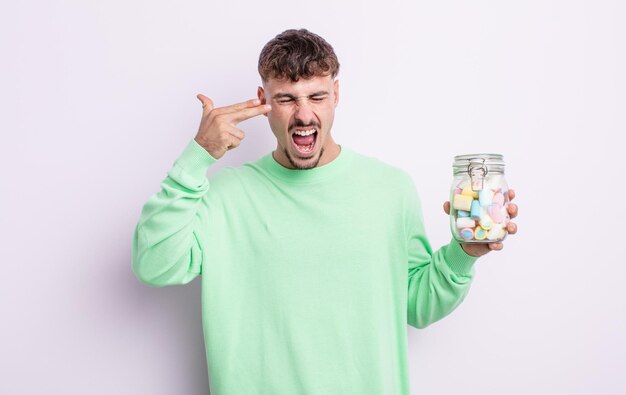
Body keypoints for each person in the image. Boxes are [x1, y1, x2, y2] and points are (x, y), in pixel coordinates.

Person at [132, 28, 519, 395]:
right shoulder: (226, 195)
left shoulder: (390, 189)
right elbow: (154, 264)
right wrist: (196, 157)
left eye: (316, 97)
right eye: (286, 99)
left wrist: (462, 254)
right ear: (262, 101)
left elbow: (417, 305)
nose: (303, 115)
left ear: (336, 94)